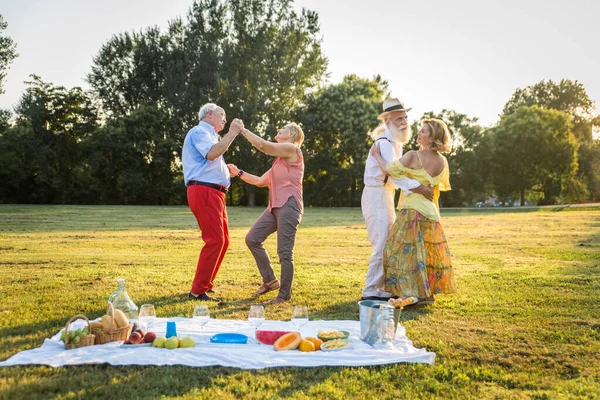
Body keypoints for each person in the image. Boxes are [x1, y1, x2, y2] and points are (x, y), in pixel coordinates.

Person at [371, 118, 456, 305]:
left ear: (433, 137)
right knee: (426, 255)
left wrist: (377, 156)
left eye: (424, 131)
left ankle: (406, 294)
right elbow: (435, 190)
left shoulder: (413, 156)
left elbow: (389, 170)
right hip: (432, 215)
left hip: (412, 211)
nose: (419, 133)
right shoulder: (443, 161)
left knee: (397, 252)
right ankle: (427, 295)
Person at [361, 98, 434, 301]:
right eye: (399, 118)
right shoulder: (384, 144)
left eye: (405, 118)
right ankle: (370, 289)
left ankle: (382, 287)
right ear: (387, 122)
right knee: (382, 242)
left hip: (385, 194)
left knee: (388, 242)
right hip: (376, 194)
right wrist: (418, 188)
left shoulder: (395, 145)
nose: (404, 122)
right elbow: (394, 175)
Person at [227, 123, 304, 305]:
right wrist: (239, 172)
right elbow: (261, 181)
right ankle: (270, 280)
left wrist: (243, 130)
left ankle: (283, 295)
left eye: (283, 128)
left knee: (285, 253)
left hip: (289, 205)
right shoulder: (279, 162)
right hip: (274, 207)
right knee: (252, 238)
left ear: (292, 135)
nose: (279, 129)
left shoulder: (293, 149)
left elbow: (264, 146)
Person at [182, 103, 244, 302]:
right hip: (204, 191)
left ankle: (205, 285)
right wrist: (233, 133)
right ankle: (198, 291)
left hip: (213, 192)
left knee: (223, 241)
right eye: (221, 115)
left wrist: (226, 170)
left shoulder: (210, 136)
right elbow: (211, 154)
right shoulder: (199, 131)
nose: (225, 120)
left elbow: (208, 162)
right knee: (215, 240)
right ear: (209, 114)